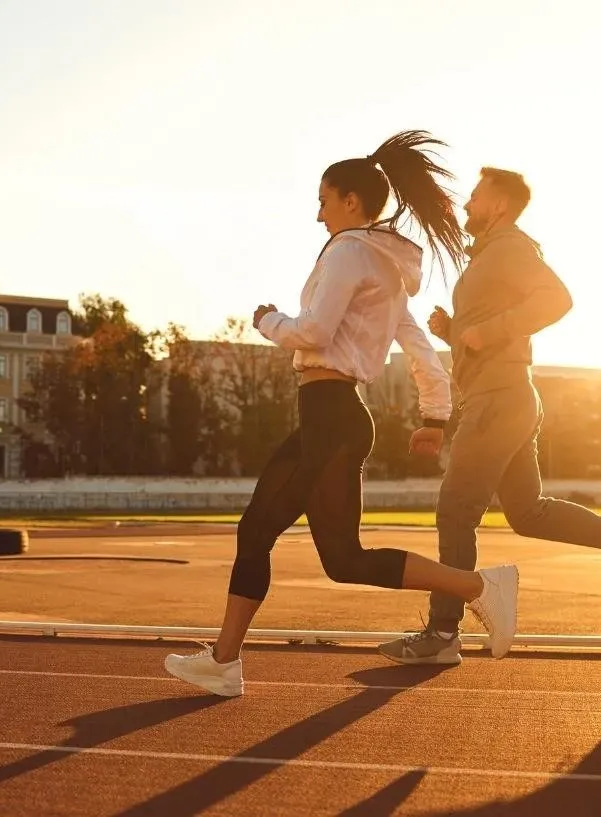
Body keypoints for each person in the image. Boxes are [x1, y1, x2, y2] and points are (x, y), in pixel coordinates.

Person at [163, 131, 518, 698]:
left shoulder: (351, 251)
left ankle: (480, 587)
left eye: (324, 200)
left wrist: (269, 320)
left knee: (331, 554)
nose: (318, 213)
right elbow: (420, 347)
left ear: (352, 202)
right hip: (329, 416)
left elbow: (315, 331)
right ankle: (224, 661)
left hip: (332, 415)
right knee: (273, 537)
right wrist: (434, 414)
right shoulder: (383, 267)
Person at [377, 167, 601, 666]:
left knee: (456, 511)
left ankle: (441, 633)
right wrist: (455, 330)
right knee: (528, 512)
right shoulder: (491, 254)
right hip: (505, 396)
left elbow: (557, 299)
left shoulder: (511, 248)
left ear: (498, 205)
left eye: (475, 196)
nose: (467, 203)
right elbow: (487, 333)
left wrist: (490, 330)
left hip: (499, 399)